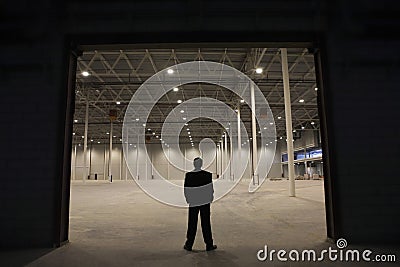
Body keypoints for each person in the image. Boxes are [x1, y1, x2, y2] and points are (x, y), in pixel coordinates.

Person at [183, 157, 217, 252]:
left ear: (194, 164)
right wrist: (210, 198)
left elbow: (186, 189)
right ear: (201, 164)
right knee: (206, 223)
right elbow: (210, 189)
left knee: (192, 223)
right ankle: (209, 245)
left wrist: (188, 200)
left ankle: (189, 244)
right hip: (205, 202)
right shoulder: (207, 175)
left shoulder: (189, 175)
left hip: (193, 202)